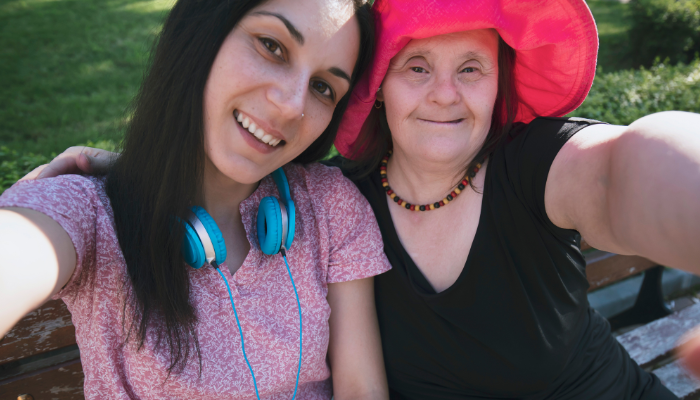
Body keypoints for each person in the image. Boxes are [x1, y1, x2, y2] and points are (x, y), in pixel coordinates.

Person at [20, 0, 700, 398]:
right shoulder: (337, 203)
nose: (444, 94)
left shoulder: (530, 167)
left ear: (500, 87)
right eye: (416, 66)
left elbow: (624, 170)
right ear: (380, 93)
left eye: (471, 69)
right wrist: (134, 176)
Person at [0, 0, 392, 398]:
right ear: (202, 31)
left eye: (323, 87)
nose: (292, 106)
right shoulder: (92, 213)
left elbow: (361, 388)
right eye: (272, 46)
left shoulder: (330, 206)